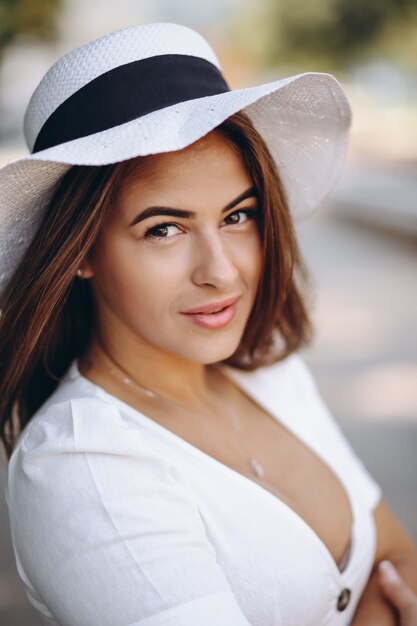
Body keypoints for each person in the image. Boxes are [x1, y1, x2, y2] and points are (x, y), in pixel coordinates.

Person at [0, 22, 416, 626]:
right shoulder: (84, 470)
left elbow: (397, 557)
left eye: (237, 216)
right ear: (81, 251)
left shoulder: (269, 368)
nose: (221, 273)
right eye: (163, 228)